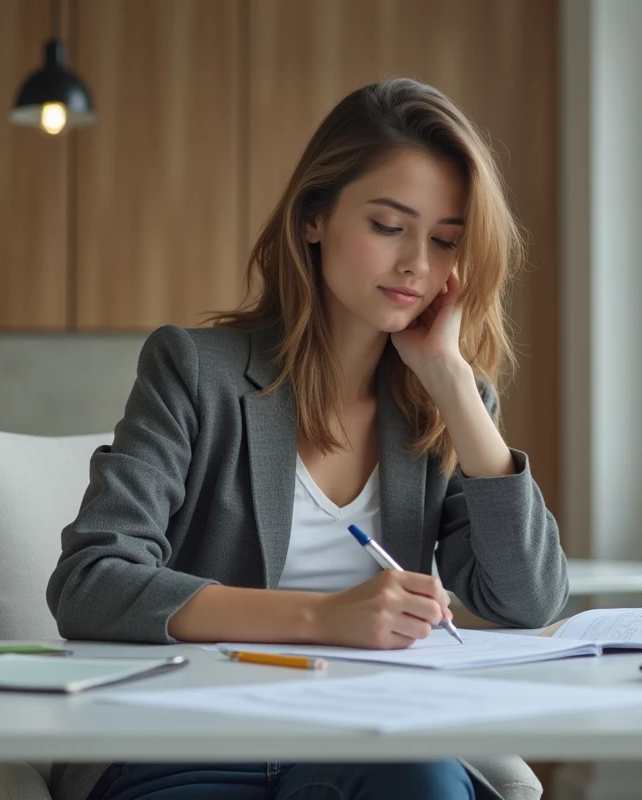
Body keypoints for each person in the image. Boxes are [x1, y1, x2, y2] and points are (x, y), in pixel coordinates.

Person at [46, 77, 569, 800]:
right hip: (195, 737)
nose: (419, 263)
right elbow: (91, 583)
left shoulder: (441, 400)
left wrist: (453, 383)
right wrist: (325, 619)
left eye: (446, 241)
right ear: (313, 218)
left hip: (374, 739)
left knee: (424, 781)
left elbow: (528, 599)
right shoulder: (195, 370)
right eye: (389, 226)